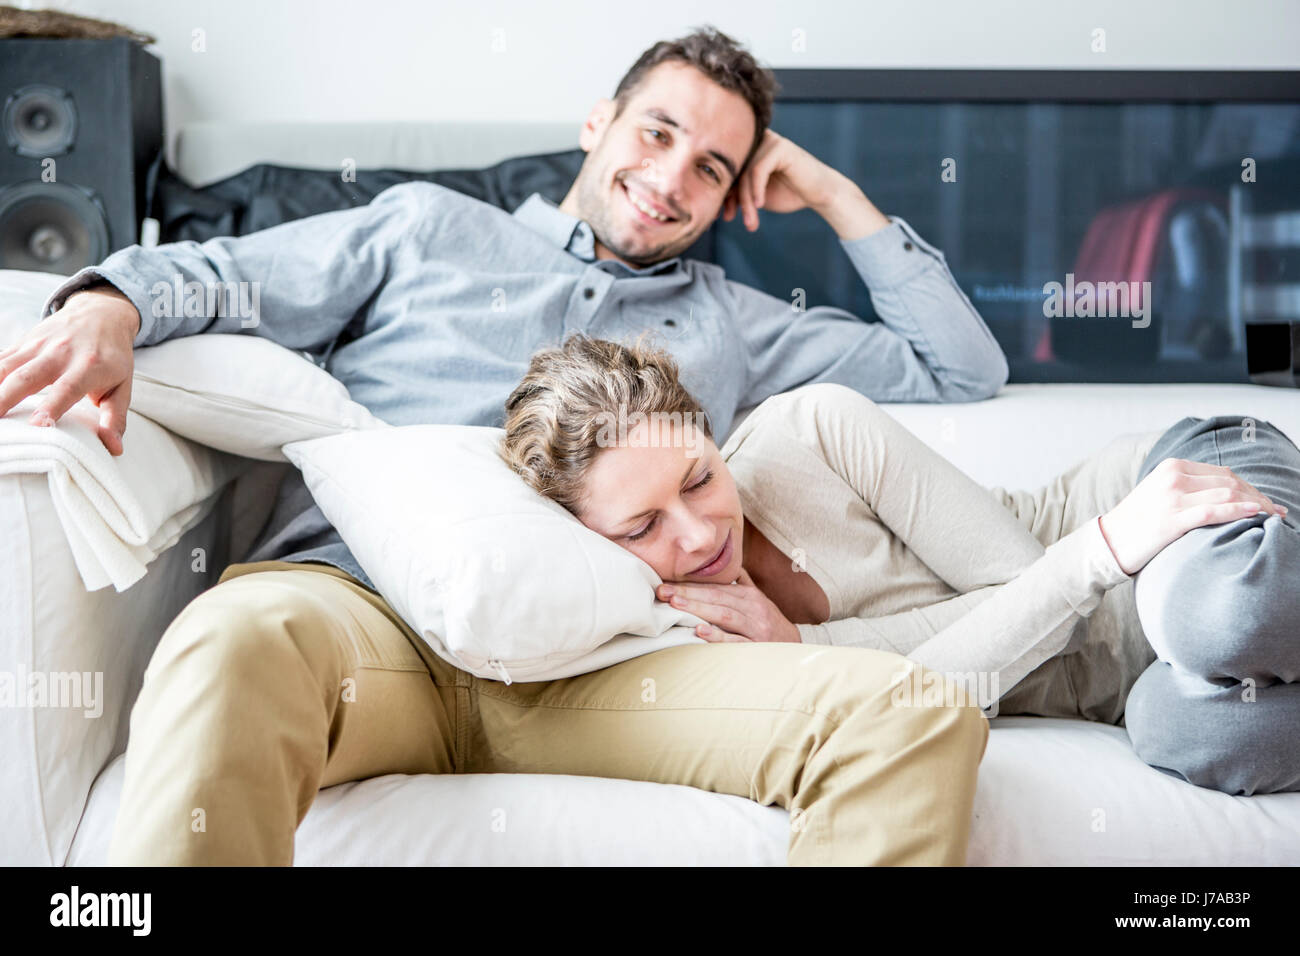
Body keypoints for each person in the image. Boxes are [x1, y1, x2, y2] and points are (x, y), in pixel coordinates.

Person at [0, 27, 1004, 866]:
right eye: (655, 133)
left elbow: (961, 367)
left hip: (614, 663)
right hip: (368, 623)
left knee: (909, 715)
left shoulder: (732, 317)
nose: (668, 179)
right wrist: (111, 301)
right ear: (595, 124)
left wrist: (833, 193)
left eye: (711, 167)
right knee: (228, 641)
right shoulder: (423, 229)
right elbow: (227, 273)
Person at [502, 333, 1300, 797]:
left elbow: (1042, 592)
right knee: (1199, 735)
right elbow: (921, 709)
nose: (699, 532)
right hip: (1131, 692)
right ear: (590, 541)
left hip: (1163, 516)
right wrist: (801, 659)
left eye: (701, 478)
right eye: (643, 526)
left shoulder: (811, 432)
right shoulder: (663, 633)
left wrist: (810, 654)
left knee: (1225, 615)